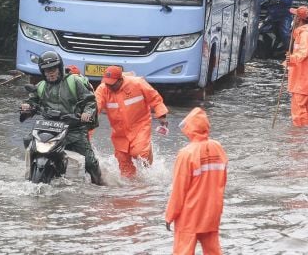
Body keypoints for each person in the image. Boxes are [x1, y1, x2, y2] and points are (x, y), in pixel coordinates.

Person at [20, 51, 105, 185]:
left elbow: (90, 101)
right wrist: (27, 107)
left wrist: (87, 113)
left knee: (89, 162)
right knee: (28, 141)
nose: (50, 73)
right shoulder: (41, 86)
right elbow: (33, 101)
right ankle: (28, 175)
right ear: (42, 72)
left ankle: (100, 184)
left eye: (53, 69)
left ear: (59, 68)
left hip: (74, 128)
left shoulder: (74, 81)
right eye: (46, 71)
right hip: (48, 127)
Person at [165, 107, 228, 255]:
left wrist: (170, 215)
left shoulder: (186, 153)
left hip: (190, 214)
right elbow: (222, 180)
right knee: (213, 250)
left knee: (183, 251)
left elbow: (179, 190)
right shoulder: (218, 148)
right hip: (212, 211)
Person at [94, 66, 169, 178]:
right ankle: (130, 191)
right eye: (107, 83)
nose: (109, 86)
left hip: (140, 125)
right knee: (124, 166)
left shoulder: (137, 83)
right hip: (119, 133)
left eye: (112, 84)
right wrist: (89, 116)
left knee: (140, 153)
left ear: (120, 80)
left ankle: (148, 176)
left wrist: (161, 115)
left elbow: (155, 98)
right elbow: (95, 105)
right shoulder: (103, 89)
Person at [285, 6, 308, 127]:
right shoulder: (304, 33)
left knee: (299, 112)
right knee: (306, 111)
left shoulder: (305, 35)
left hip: (302, 82)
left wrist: (290, 59)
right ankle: (304, 138)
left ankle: (298, 140)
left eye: (294, 16)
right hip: (304, 81)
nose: (293, 19)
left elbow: (303, 54)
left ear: (299, 19)